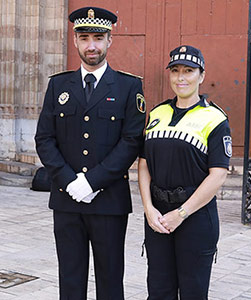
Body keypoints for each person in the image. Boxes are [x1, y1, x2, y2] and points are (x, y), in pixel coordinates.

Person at [35, 6, 146, 300]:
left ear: (110, 40)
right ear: (75, 41)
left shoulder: (128, 86)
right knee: (70, 281)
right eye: (85, 38)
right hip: (66, 200)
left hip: (109, 202)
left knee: (110, 282)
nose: (91, 45)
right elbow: (44, 138)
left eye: (98, 37)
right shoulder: (58, 85)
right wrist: (70, 181)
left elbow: (132, 141)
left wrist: (92, 181)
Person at [138, 45, 232, 300]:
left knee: (193, 293)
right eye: (175, 71)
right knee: (158, 291)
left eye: (189, 71)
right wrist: (148, 208)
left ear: (201, 75)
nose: (181, 77)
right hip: (157, 217)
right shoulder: (157, 114)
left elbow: (218, 175)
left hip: (195, 219)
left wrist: (181, 214)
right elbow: (144, 164)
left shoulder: (215, 119)